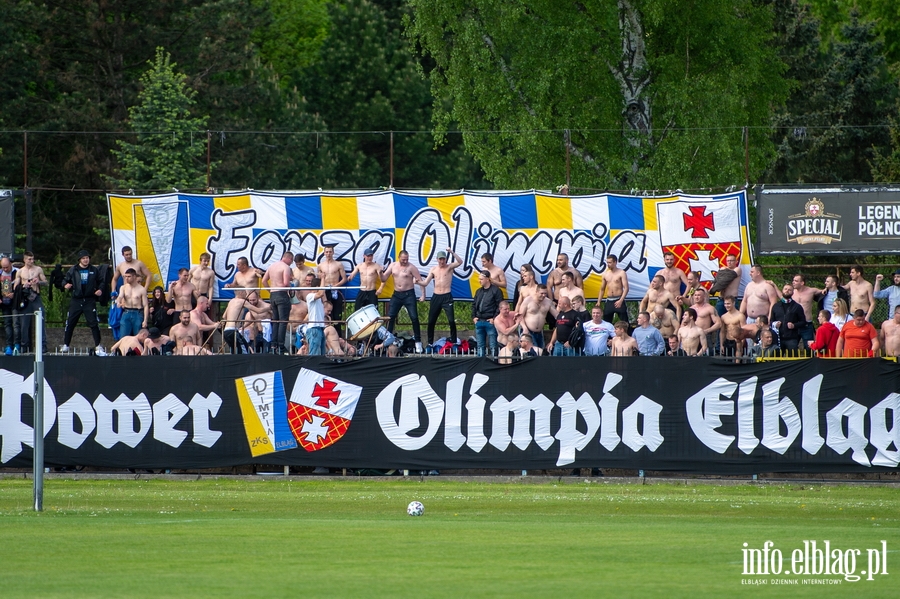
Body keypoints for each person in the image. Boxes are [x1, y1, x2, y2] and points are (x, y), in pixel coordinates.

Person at [61, 250, 106, 355]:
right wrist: (65, 285)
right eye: (83, 258)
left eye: (87, 258)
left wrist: (100, 289)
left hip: (89, 299)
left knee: (93, 323)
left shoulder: (94, 270)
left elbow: (101, 281)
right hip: (76, 299)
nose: (86, 260)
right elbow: (64, 280)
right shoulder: (73, 269)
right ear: (79, 260)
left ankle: (98, 345)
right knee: (70, 322)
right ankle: (66, 344)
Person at [382, 250, 424, 351]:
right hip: (396, 294)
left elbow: (420, 280)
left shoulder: (411, 267)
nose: (405, 261)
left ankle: (418, 341)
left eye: (406, 259)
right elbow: (383, 278)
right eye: (403, 260)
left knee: (414, 317)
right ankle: (388, 339)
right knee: (390, 317)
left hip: (409, 294)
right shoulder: (393, 266)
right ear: (398, 257)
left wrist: (423, 295)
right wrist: (380, 272)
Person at [419, 248, 462, 346]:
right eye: (440, 259)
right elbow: (425, 283)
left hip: (447, 296)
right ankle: (430, 343)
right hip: (436, 297)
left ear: (446, 259)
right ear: (437, 259)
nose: (442, 261)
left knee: (451, 320)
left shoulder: (449, 267)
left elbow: (460, 262)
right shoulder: (433, 269)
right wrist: (417, 282)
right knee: (431, 321)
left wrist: (452, 252)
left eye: (443, 259)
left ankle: (454, 341)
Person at [14, 251, 48, 354]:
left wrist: (39, 282)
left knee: (41, 320)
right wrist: (24, 286)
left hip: (35, 296)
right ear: (24, 260)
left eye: (33, 259)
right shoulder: (20, 271)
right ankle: (25, 345)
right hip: (25, 297)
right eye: (29, 259)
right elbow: (15, 287)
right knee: (24, 323)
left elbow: (46, 282)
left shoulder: (38, 269)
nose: (31, 261)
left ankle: (43, 345)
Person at [261, 251, 293, 354]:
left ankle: (273, 345)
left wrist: (270, 290)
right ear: (288, 258)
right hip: (282, 294)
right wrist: (291, 287)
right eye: (291, 261)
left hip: (273, 295)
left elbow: (264, 281)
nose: (291, 263)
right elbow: (285, 283)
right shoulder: (285, 267)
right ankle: (281, 346)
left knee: (275, 321)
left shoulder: (272, 266)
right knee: (283, 321)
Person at [317, 244, 348, 335]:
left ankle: (338, 336)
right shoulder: (320, 266)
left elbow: (344, 278)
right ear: (324, 253)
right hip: (326, 291)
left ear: (333, 252)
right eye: (327, 252)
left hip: (336, 290)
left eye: (330, 251)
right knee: (326, 313)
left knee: (337, 314)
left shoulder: (338, 264)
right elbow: (318, 280)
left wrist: (337, 285)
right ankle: (326, 335)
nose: (328, 253)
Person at [472, 269, 503, 357]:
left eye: (481, 279)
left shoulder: (496, 291)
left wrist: (494, 318)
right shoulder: (478, 291)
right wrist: (474, 317)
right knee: (480, 346)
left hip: (490, 322)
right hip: (479, 321)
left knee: (493, 345)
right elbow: (474, 305)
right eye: (479, 279)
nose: (479, 281)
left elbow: (499, 306)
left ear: (487, 279)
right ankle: (480, 364)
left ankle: (493, 362)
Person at [771, 284, 806, 352]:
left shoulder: (797, 307)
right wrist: (775, 324)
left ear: (792, 293)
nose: (787, 291)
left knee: (792, 359)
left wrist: (794, 325)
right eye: (785, 289)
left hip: (792, 338)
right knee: (777, 359)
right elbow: (771, 321)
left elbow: (803, 322)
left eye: (789, 290)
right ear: (782, 290)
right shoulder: (776, 306)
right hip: (778, 338)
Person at [116, 268, 149, 337]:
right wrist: (118, 301)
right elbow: (120, 296)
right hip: (127, 311)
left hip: (137, 313)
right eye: (125, 276)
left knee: (138, 336)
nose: (126, 278)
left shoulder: (141, 289)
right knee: (124, 336)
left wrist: (145, 320)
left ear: (134, 277)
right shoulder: (123, 287)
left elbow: (145, 305)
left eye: (129, 276)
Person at [790, 273, 821, 349]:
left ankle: (811, 361)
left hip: (807, 324)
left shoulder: (811, 291)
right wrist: (774, 285)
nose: (793, 282)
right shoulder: (791, 292)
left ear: (802, 283)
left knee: (809, 347)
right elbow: (781, 297)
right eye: (793, 280)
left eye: (796, 281)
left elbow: (824, 291)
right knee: (792, 347)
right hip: (795, 324)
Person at [518, 284, 552, 348]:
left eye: (545, 293)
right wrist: (524, 328)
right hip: (528, 331)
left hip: (539, 332)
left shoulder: (548, 302)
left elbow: (557, 315)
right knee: (532, 352)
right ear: (536, 292)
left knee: (540, 351)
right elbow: (520, 316)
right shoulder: (528, 300)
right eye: (541, 293)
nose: (544, 295)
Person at [598, 254, 628, 325]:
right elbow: (602, 289)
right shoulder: (605, 274)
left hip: (619, 299)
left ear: (615, 262)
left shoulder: (621, 273)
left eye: (610, 262)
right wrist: (599, 301)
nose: (608, 264)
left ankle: (627, 335)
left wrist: (621, 300)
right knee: (606, 322)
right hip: (609, 300)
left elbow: (626, 288)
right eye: (607, 262)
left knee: (624, 322)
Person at [691, 288, 721, 354]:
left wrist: (707, 330)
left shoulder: (710, 308)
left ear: (704, 296)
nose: (696, 297)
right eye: (695, 295)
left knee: (707, 356)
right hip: (692, 336)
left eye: (699, 295)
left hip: (705, 335)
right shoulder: (691, 308)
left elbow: (718, 323)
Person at [1, 256, 19, 355]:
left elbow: (20, 286)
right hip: (4, 302)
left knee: (16, 324)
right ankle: (9, 345)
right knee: (7, 324)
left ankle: (17, 344)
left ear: (10, 264)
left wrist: (15, 294)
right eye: (3, 267)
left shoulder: (17, 272)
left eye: (7, 267)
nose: (5, 269)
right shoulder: (0, 273)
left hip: (14, 302)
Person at [304, 276, 327, 355]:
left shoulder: (319, 300)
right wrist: (323, 278)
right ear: (318, 287)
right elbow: (321, 293)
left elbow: (324, 299)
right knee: (314, 354)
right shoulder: (310, 296)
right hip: (314, 328)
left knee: (322, 354)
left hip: (320, 328)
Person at [190, 252, 216, 318]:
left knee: (203, 315)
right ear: (200, 260)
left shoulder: (211, 272)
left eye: (208, 261)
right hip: (193, 294)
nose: (206, 263)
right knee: (192, 314)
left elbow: (210, 287)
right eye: (204, 261)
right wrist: (193, 290)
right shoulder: (193, 269)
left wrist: (210, 298)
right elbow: (187, 282)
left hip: (203, 294)